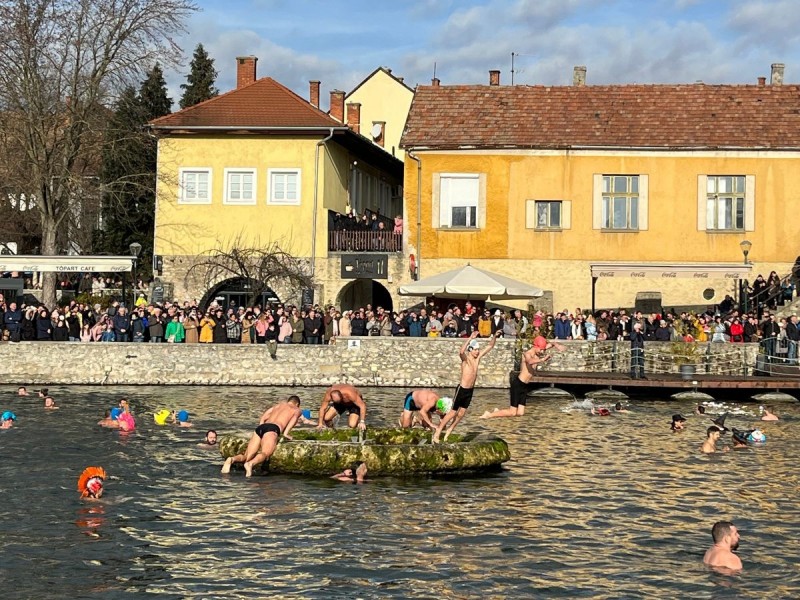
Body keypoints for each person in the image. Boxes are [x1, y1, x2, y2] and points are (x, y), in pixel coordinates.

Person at [433, 331, 500, 443]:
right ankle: (438, 431)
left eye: (478, 350)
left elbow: (490, 346)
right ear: (470, 350)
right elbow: (461, 352)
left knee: (461, 413)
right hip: (462, 389)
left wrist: (494, 336)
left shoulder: (477, 359)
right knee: (453, 412)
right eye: (475, 350)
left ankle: (450, 429)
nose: (478, 352)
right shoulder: (466, 360)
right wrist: (470, 338)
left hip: (470, 390)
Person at [480, 336, 562, 419]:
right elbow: (530, 361)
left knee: (520, 413)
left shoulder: (539, 352)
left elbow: (549, 345)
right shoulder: (527, 354)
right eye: (541, 349)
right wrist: (542, 360)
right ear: (536, 347)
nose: (542, 351)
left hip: (525, 385)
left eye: (543, 350)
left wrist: (556, 345)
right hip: (518, 384)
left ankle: (497, 412)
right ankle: (489, 414)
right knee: (512, 412)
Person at [221, 396, 302, 477]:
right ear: (297, 404)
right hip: (273, 428)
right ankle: (250, 464)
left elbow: (263, 418)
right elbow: (294, 419)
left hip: (261, 428)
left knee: (246, 456)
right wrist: (286, 433)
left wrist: (262, 430)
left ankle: (232, 459)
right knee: (265, 453)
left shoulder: (277, 406)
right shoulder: (296, 409)